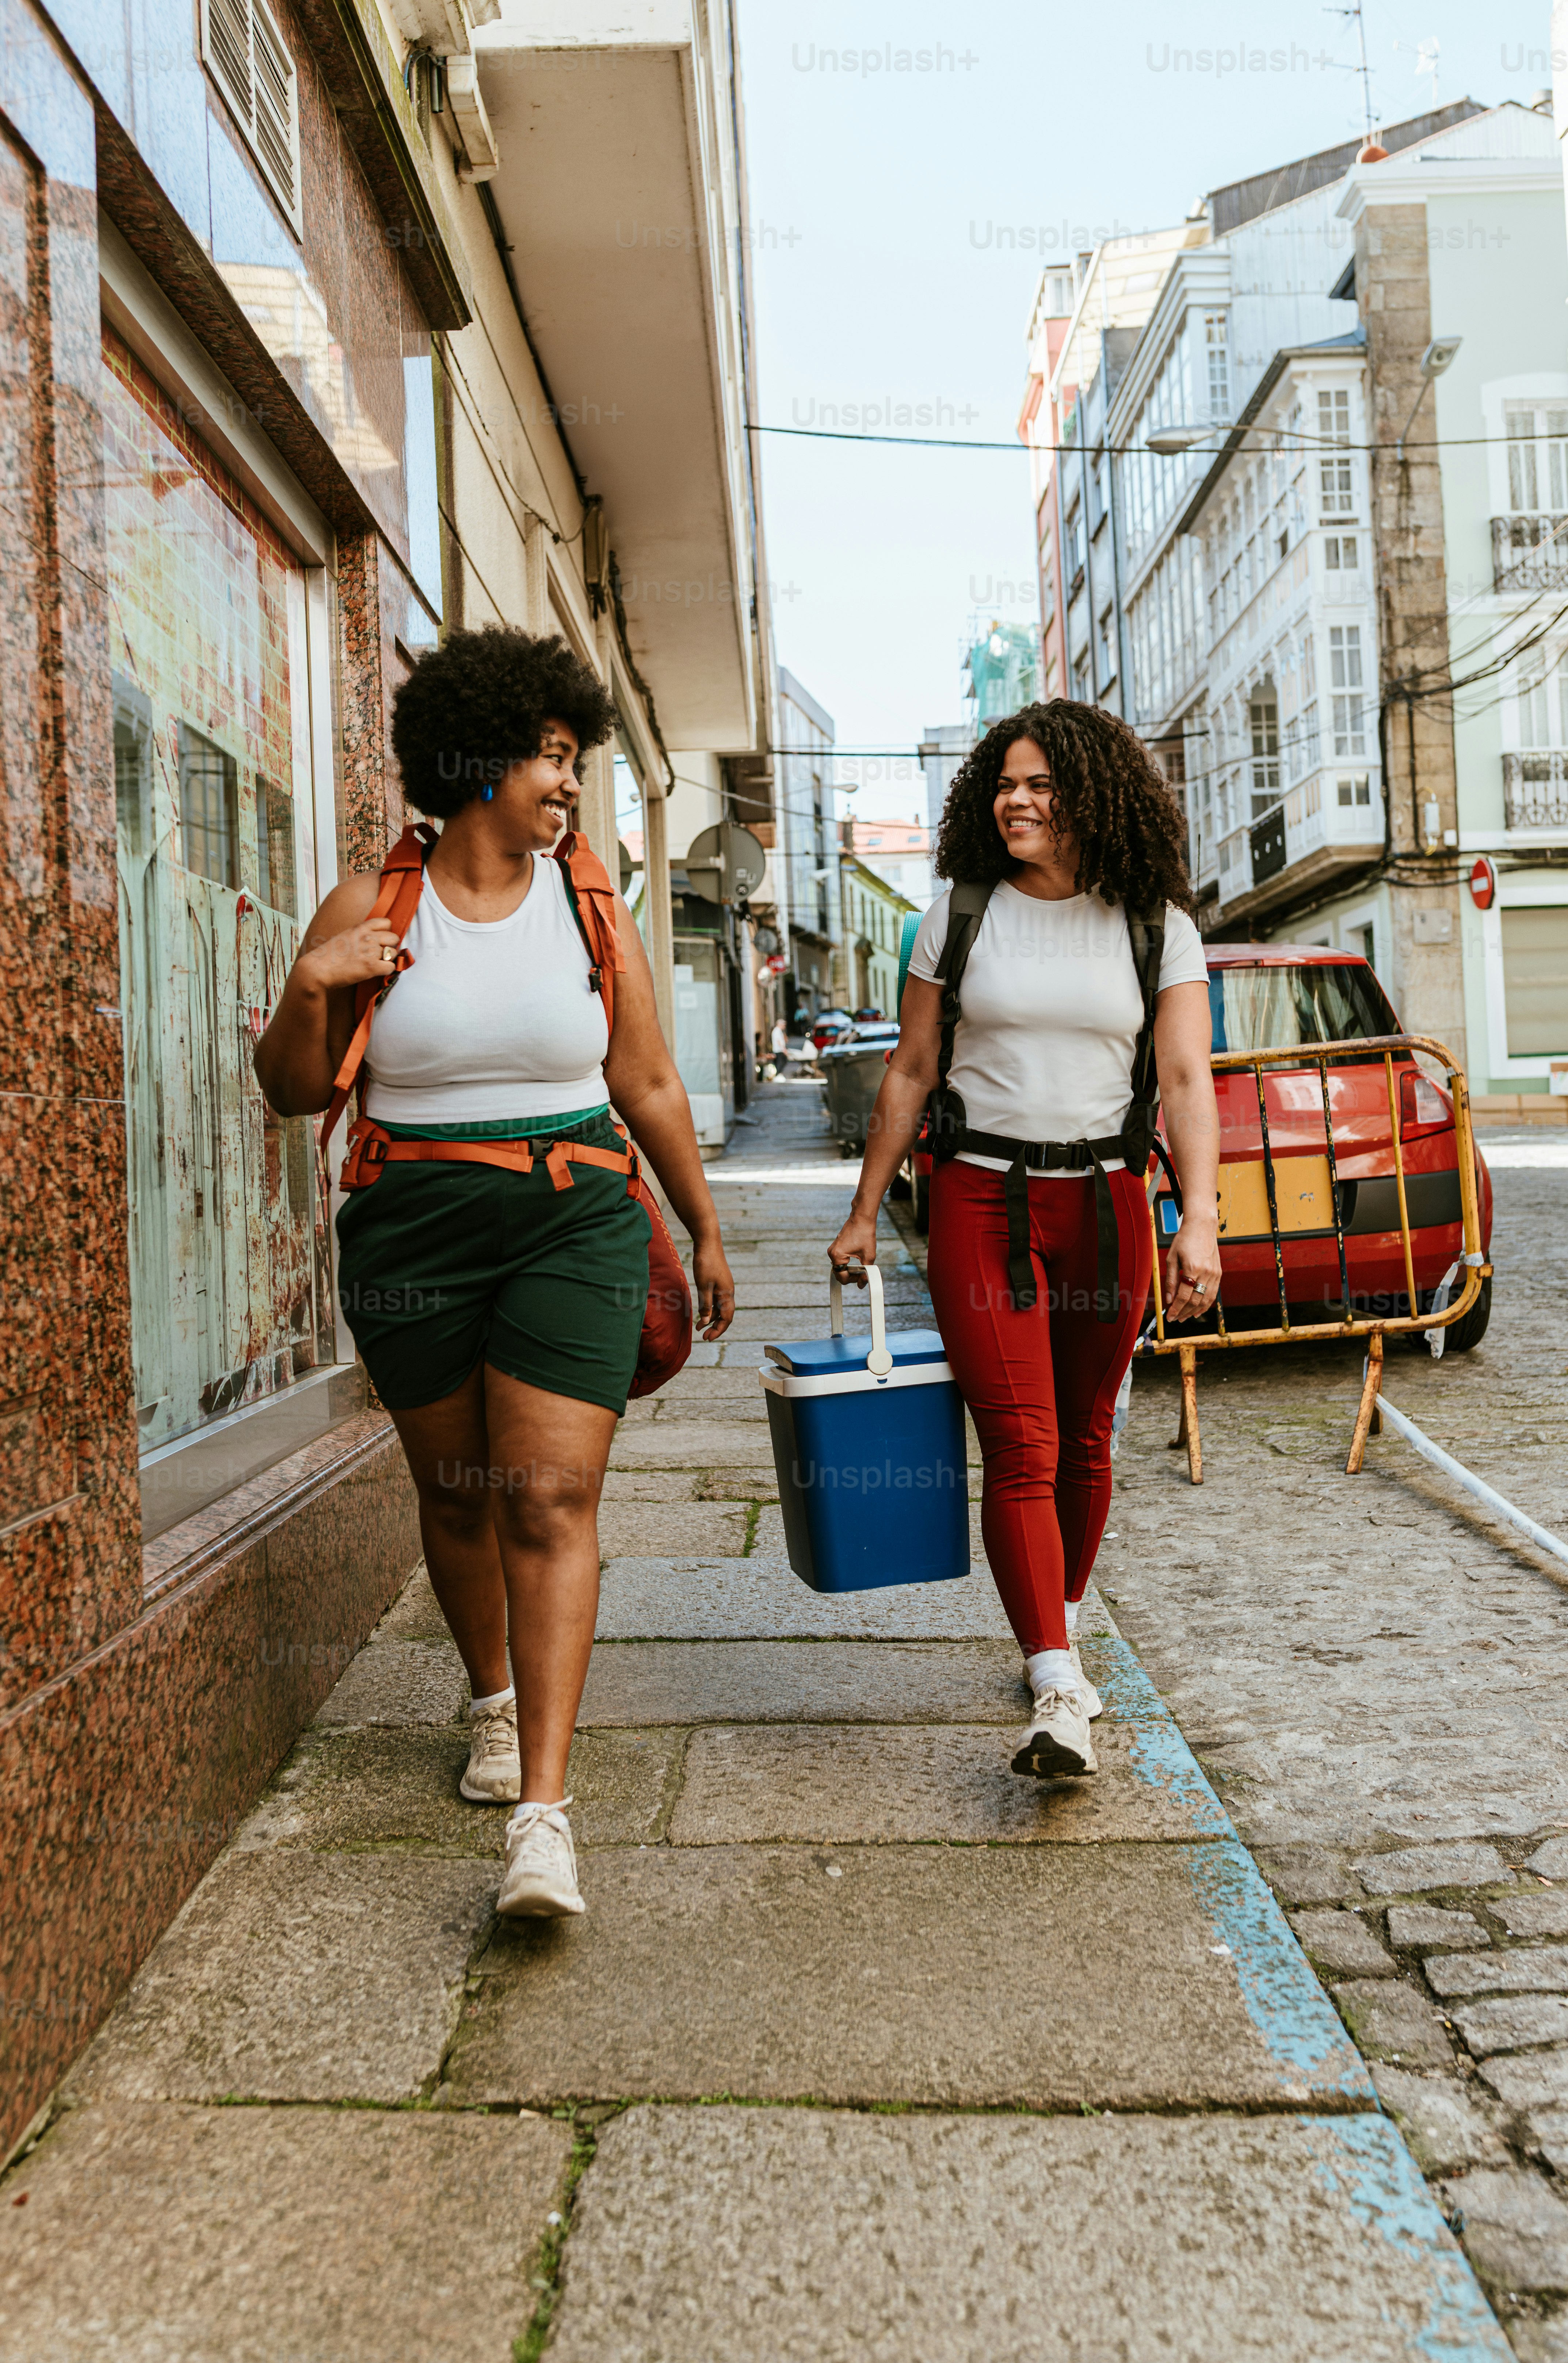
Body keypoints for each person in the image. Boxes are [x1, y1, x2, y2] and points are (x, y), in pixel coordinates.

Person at [256, 627, 735, 1917]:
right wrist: (312, 986)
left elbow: (643, 1078)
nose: (568, 782)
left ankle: (543, 1816)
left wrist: (703, 1222)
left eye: (573, 758)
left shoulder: (589, 905)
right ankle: (490, 1697)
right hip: (411, 1227)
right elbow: (295, 1088)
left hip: (573, 1215)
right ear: (474, 761)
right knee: (459, 1494)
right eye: (548, 755)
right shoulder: (370, 910)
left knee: (547, 1497)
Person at [828, 701, 1220, 1784]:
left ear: (1094, 794)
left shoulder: (1156, 925)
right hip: (978, 1199)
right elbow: (911, 1069)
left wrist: (1203, 1221)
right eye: (1006, 781)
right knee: (1022, 1442)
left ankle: (1061, 1618)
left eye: (1042, 782)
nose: (1018, 798)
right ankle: (1054, 1682)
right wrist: (865, 1211)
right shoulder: (955, 914)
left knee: (1089, 1435)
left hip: (1106, 1204)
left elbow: (1186, 1082)